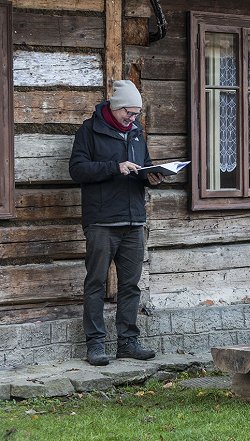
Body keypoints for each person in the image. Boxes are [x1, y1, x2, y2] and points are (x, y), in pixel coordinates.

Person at [69, 80, 164, 366]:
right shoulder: (89, 130)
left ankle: (128, 342)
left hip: (134, 221)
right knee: (96, 283)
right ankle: (95, 345)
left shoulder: (136, 133)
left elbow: (143, 164)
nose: (133, 119)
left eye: (136, 114)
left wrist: (152, 177)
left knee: (131, 285)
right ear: (115, 106)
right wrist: (115, 167)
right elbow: (77, 170)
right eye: (129, 113)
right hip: (101, 221)